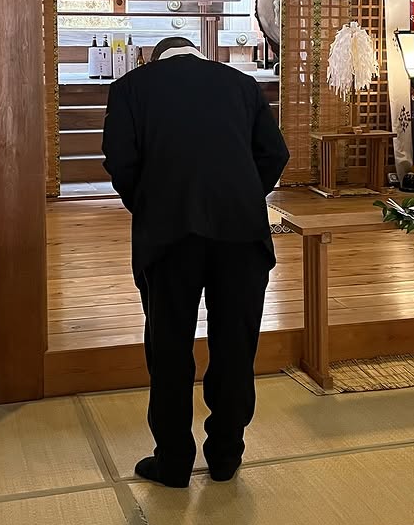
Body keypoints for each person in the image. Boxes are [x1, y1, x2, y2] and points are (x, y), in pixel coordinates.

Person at [102, 36, 289, 487]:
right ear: (198, 54)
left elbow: (120, 160)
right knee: (235, 346)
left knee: (169, 347)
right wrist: (243, 195)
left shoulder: (131, 87)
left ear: (154, 58)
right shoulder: (241, 85)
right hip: (241, 234)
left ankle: (173, 461)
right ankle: (225, 455)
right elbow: (274, 154)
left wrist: (150, 204)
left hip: (169, 236)